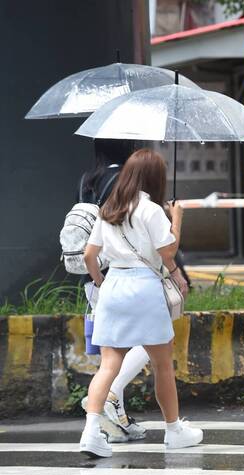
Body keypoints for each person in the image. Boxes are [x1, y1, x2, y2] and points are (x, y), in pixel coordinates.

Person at [79, 149, 201, 458]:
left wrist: (100, 283)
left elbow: (89, 256)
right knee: (162, 364)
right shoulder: (150, 210)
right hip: (144, 288)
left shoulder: (109, 208)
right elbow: (168, 253)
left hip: (114, 287)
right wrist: (177, 220)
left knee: (108, 365)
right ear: (154, 178)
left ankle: (91, 432)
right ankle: (174, 431)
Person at [78, 139, 152, 443]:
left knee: (111, 353)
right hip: (119, 274)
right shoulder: (123, 178)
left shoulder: (89, 178)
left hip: (92, 275)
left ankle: (116, 420)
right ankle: (109, 397)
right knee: (150, 340)